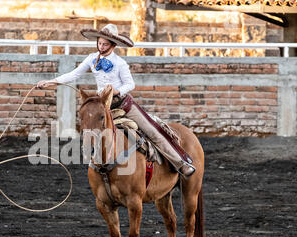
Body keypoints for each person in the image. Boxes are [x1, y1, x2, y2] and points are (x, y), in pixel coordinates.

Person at [37, 24, 195, 177]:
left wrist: (117, 90)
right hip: (102, 105)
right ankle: (97, 164)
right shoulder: (92, 59)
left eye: (105, 44)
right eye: (99, 43)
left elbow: (130, 84)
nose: (101, 46)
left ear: (112, 45)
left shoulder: (120, 63)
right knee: (90, 128)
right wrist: (51, 82)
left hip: (123, 105)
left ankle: (180, 163)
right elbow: (74, 74)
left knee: (152, 131)